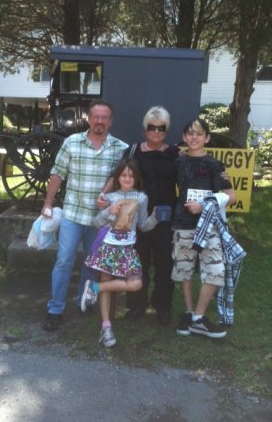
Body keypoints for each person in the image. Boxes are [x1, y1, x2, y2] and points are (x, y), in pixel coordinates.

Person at [41, 99, 128, 331]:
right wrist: (48, 203)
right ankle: (55, 309)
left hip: (100, 220)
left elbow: (123, 179)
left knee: (91, 264)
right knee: (63, 260)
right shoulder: (72, 143)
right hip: (72, 214)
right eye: (96, 117)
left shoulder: (120, 148)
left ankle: (83, 301)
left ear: (111, 121)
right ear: (89, 119)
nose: (99, 121)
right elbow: (57, 174)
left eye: (104, 118)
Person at [81, 158, 159, 347]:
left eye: (131, 175)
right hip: (107, 244)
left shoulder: (141, 198)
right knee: (106, 279)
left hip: (127, 248)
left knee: (135, 283)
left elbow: (143, 226)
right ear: (118, 177)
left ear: (136, 178)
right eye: (124, 175)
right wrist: (109, 211)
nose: (127, 178)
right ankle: (106, 328)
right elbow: (97, 223)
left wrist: (155, 217)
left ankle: (94, 288)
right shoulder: (109, 197)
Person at [172, 118, 236, 339]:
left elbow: (232, 197)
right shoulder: (178, 162)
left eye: (199, 134)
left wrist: (204, 205)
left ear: (207, 138)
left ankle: (199, 317)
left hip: (210, 227)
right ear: (183, 137)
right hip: (183, 225)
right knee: (184, 270)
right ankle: (189, 314)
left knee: (216, 271)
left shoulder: (215, 165)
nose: (194, 137)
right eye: (190, 133)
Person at [121, 106, 179, 325]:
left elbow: (190, 175)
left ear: (166, 130)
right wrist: (104, 195)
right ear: (145, 129)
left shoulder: (175, 154)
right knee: (138, 263)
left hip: (166, 218)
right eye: (152, 127)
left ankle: (162, 307)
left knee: (165, 264)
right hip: (139, 217)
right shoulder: (133, 151)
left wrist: (219, 174)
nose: (156, 132)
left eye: (161, 128)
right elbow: (119, 175)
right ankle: (136, 304)